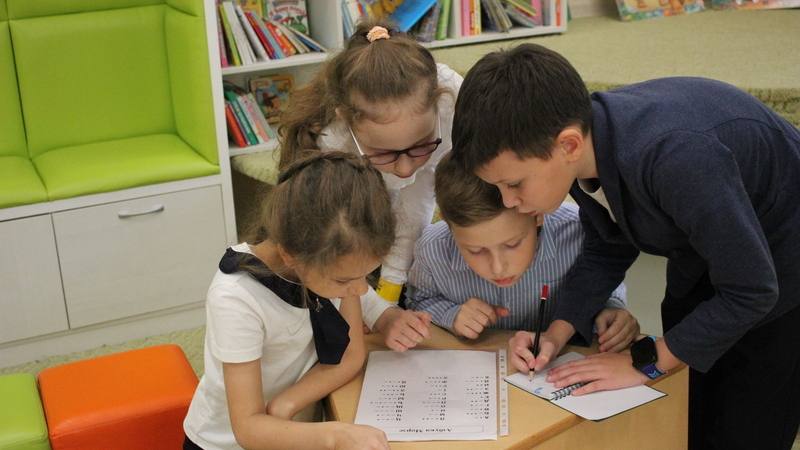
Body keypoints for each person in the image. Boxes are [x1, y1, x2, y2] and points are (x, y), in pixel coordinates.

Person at [450, 43, 800, 450]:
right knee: (688, 409)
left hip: (784, 260)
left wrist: (644, 363)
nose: (509, 201)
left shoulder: (676, 158)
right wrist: (556, 333)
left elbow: (753, 289)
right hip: (706, 247)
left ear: (568, 146)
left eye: (513, 184)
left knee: (748, 421)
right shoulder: (577, 152)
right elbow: (607, 244)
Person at [183, 152, 395, 450]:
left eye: (367, 276)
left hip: (292, 427)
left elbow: (350, 355)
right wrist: (334, 435)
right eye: (345, 280)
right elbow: (247, 427)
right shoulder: (235, 298)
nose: (361, 291)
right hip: (225, 443)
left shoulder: (331, 268)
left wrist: (287, 403)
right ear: (290, 255)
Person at [278, 19, 463, 311]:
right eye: (384, 152)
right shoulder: (334, 141)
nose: (405, 169)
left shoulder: (454, 102)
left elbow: (419, 197)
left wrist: (391, 289)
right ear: (347, 121)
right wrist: (377, 306)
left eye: (421, 144)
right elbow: (353, 242)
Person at [405, 154, 639, 353]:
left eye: (512, 244)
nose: (498, 268)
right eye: (476, 251)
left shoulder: (578, 233)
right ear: (448, 224)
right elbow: (418, 302)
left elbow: (605, 283)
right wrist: (451, 315)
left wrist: (611, 308)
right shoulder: (432, 250)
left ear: (537, 214)